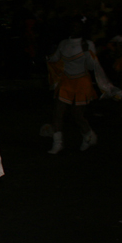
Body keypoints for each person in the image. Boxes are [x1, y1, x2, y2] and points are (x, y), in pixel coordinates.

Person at [46, 17, 98, 154]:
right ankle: (58, 143)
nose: (74, 29)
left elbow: (92, 66)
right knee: (57, 113)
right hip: (66, 81)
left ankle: (88, 136)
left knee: (77, 115)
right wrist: (47, 57)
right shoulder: (63, 43)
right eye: (72, 26)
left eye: (77, 26)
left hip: (82, 82)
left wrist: (87, 52)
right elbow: (56, 58)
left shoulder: (88, 44)